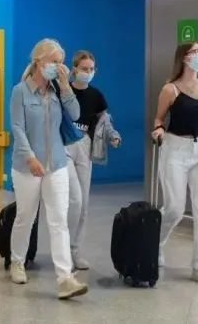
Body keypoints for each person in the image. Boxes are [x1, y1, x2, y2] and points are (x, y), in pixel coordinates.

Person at [9, 38, 88, 300]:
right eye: (54, 61)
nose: (58, 66)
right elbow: (18, 128)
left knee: (58, 221)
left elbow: (75, 114)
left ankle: (65, 278)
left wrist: (65, 86)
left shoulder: (58, 90)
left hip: (57, 164)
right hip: (27, 166)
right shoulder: (20, 91)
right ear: (38, 61)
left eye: (61, 62)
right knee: (26, 217)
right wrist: (30, 158)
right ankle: (17, 261)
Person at [151, 42, 198, 287]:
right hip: (175, 150)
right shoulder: (170, 89)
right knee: (174, 208)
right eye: (196, 52)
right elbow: (159, 118)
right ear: (184, 58)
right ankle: (154, 244)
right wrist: (158, 130)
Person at [66, 51, 120, 270]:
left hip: (85, 147)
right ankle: (63, 248)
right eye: (84, 68)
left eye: (91, 69)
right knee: (75, 200)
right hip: (64, 147)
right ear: (74, 69)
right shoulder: (64, 91)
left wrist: (113, 135)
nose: (88, 72)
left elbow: (104, 122)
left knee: (84, 204)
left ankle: (75, 250)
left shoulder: (96, 95)